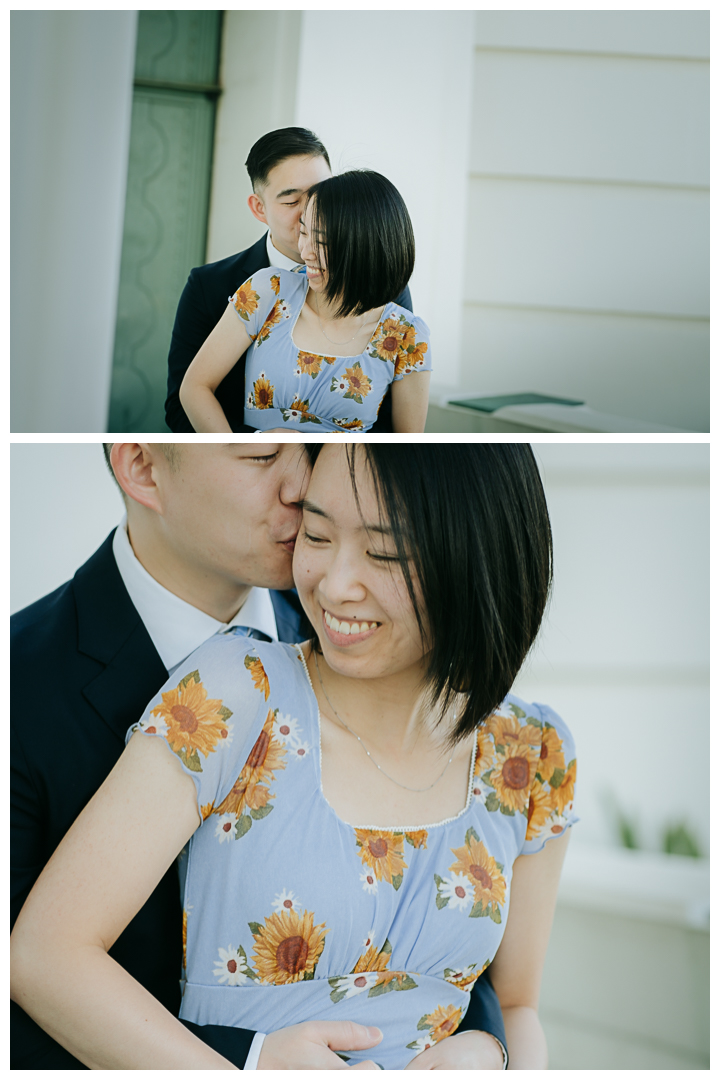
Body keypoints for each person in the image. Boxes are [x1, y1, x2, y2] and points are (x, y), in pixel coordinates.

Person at [11, 444, 576, 1069]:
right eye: (317, 532)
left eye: (383, 552)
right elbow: (43, 958)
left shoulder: (532, 753)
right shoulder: (232, 687)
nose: (334, 585)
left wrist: (492, 1055)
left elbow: (514, 1001)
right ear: (141, 466)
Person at [165, 128, 412, 434]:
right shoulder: (209, 286)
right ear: (259, 208)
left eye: (323, 192)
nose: (312, 210)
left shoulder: (385, 290)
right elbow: (181, 409)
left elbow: (393, 421)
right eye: (292, 201)